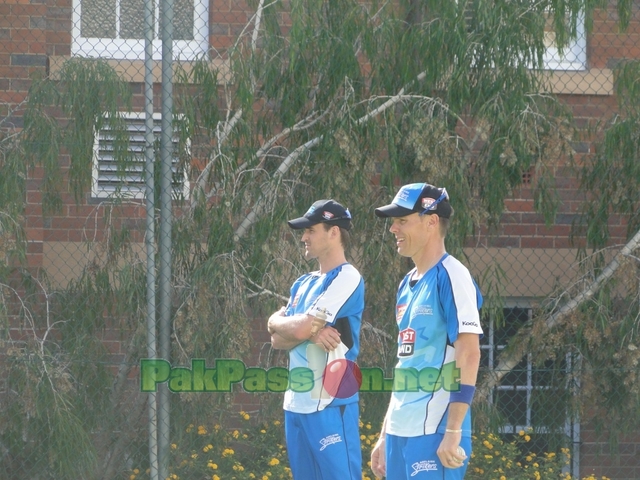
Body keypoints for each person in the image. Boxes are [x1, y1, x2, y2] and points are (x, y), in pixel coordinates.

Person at [370, 183, 483, 479]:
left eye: (402, 220)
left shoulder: (452, 275)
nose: (392, 228)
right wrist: (385, 433)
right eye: (394, 221)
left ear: (431, 221)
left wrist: (454, 430)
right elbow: (405, 363)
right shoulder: (406, 282)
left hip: (435, 432)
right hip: (399, 432)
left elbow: (469, 354)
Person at [268, 199, 365, 480]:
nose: (303, 237)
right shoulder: (302, 282)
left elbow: (295, 331)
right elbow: (276, 339)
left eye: (310, 230)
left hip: (330, 402)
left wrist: (294, 326)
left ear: (333, 232)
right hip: (296, 403)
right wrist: (300, 328)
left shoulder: (348, 276)